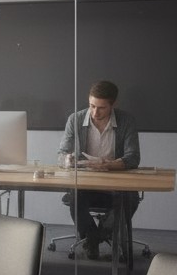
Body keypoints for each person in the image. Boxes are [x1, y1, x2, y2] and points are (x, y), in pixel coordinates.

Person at [57, 79, 140, 260]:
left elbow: (133, 158)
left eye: (101, 107)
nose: (95, 112)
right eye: (91, 106)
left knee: (131, 198)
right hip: (87, 184)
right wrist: (67, 159)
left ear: (113, 104)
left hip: (116, 184)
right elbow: (61, 153)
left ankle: (93, 239)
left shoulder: (126, 121)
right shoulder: (76, 119)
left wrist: (108, 165)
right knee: (75, 196)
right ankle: (96, 237)